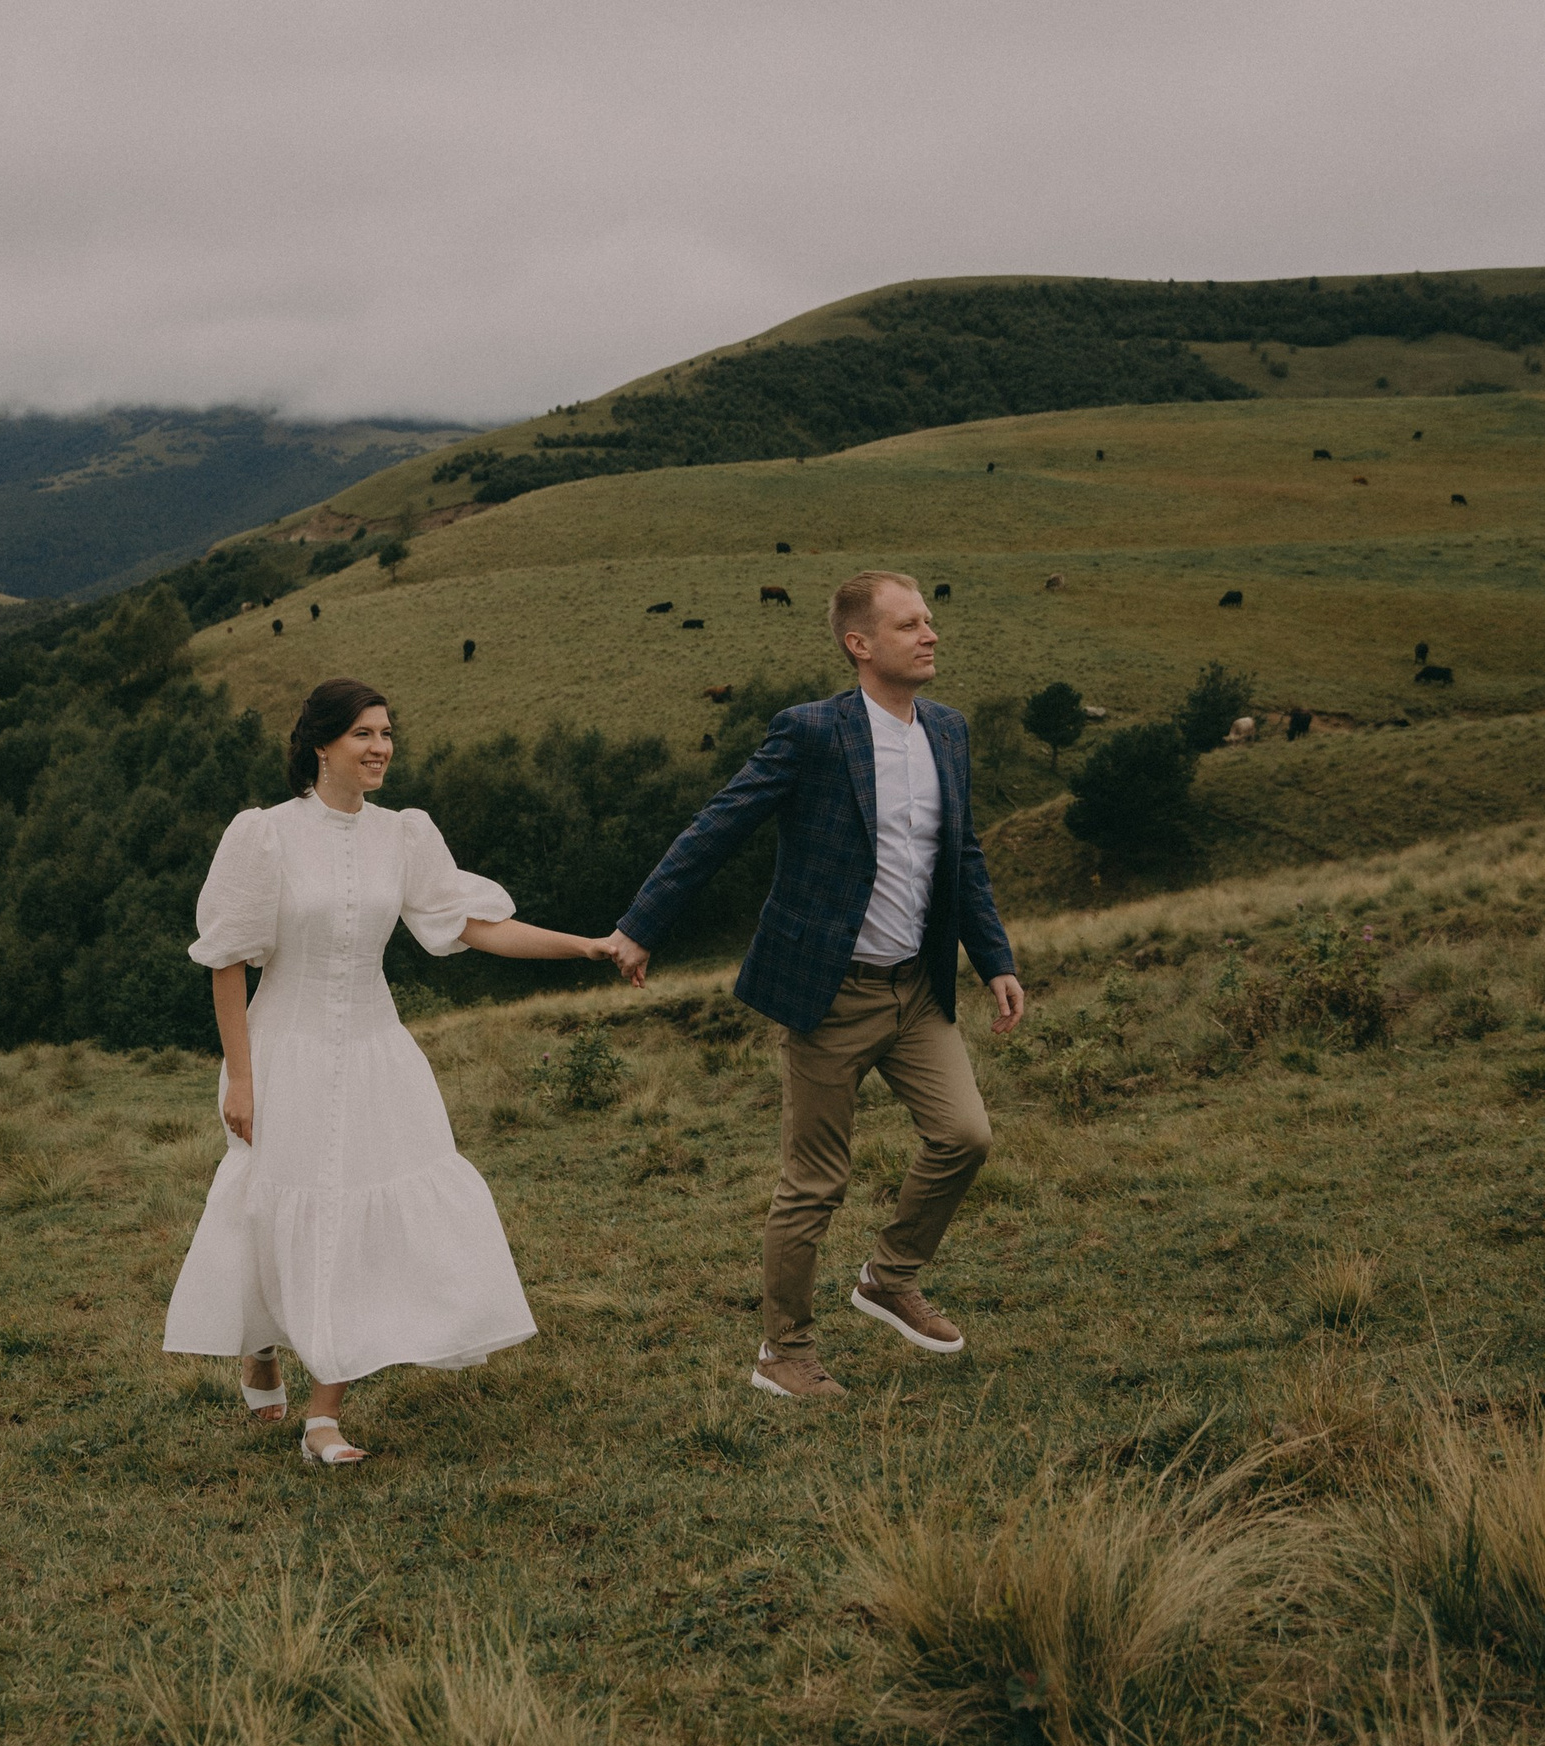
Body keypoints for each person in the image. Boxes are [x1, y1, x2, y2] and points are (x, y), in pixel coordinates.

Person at [165, 677, 622, 1465]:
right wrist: (241, 1079)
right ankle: (260, 1342)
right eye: (363, 735)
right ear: (321, 746)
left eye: (387, 734)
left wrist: (585, 947)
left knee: (354, 1217)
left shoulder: (405, 834)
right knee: (274, 1204)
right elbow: (228, 963)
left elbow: (474, 925)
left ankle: (323, 1416)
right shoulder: (264, 835)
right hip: (286, 1051)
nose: (380, 748)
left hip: (378, 1053)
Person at [600, 574, 1024, 1401]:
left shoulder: (950, 732)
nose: (931, 635)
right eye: (910, 625)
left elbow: (962, 856)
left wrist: (995, 959)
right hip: (829, 995)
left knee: (965, 1136)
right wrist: (642, 924)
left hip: (918, 991)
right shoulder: (812, 734)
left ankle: (887, 1277)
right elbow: (718, 825)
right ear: (859, 645)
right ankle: (783, 1353)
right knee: (814, 1184)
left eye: (931, 621)